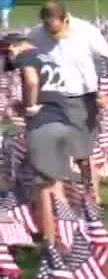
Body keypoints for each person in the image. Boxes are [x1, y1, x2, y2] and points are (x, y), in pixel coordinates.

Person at [28, 1, 108, 204]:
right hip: (49, 101)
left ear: (66, 19)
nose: (51, 34)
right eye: (47, 28)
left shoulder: (86, 31)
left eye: (55, 28)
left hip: (81, 99)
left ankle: (93, 198)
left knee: (83, 154)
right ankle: (61, 204)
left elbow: (106, 61)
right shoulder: (35, 35)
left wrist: (104, 91)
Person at [3, 33, 81, 251]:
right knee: (56, 185)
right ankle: (70, 239)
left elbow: (32, 80)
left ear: (12, 49)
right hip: (62, 123)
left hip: (43, 126)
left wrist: (29, 107)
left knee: (44, 189)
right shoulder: (48, 57)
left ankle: (51, 242)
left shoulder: (26, 56)